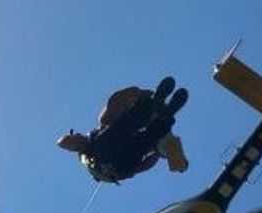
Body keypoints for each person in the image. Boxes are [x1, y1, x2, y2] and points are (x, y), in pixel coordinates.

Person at [57, 78, 189, 183]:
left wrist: (139, 94)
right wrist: (157, 154)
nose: (79, 135)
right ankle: (151, 111)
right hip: (119, 162)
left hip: (126, 157)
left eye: (75, 136)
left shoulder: (100, 131)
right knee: (118, 132)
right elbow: (141, 166)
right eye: (75, 139)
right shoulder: (93, 150)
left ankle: (157, 114)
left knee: (144, 140)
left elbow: (113, 103)